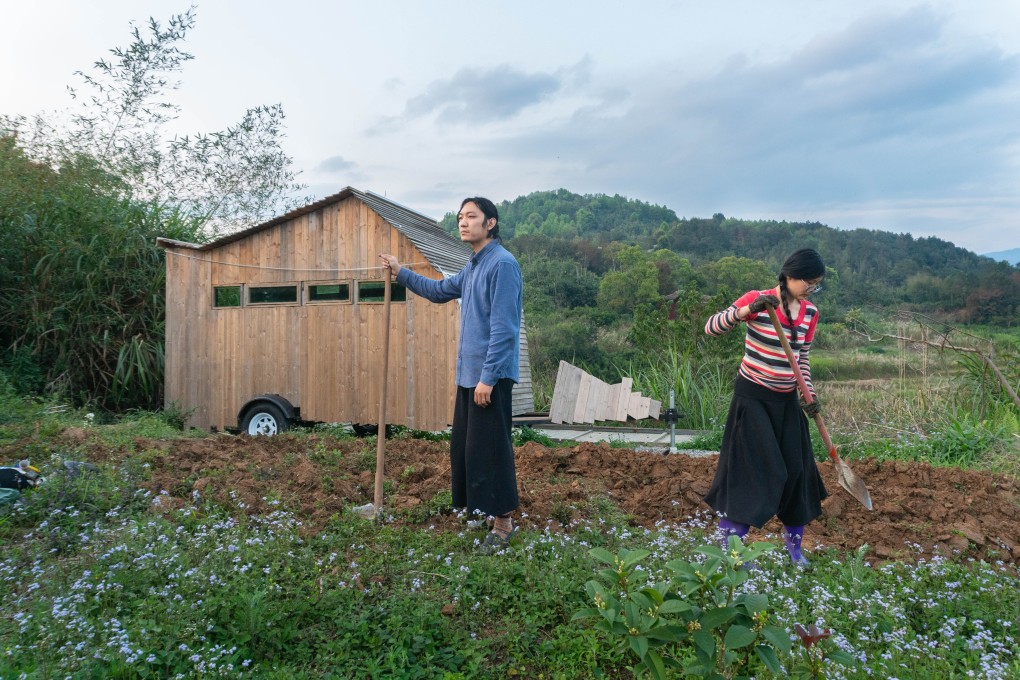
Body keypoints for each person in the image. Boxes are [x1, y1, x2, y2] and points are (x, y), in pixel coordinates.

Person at [380, 197, 523, 555]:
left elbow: (505, 329)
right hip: (470, 377)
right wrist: (401, 272)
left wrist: (488, 378)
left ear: (490, 223)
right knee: (467, 449)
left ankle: (504, 524)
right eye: (460, 217)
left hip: (489, 378)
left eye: (471, 217)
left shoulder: (502, 265)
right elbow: (440, 291)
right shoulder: (473, 265)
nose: (463, 222)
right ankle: (482, 512)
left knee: (491, 450)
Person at [702, 248, 828, 567]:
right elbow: (712, 327)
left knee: (798, 473)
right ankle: (733, 550)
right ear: (789, 275)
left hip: (786, 403)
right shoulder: (758, 299)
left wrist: (808, 395)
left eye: (816, 285)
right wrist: (745, 311)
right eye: (808, 283)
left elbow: (802, 360)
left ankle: (795, 549)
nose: (811, 289)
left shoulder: (810, 313)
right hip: (753, 399)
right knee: (754, 473)